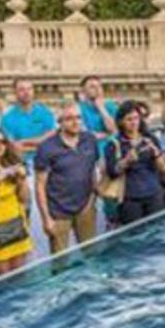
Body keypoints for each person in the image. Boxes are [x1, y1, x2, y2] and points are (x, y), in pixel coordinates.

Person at [34, 104, 99, 253]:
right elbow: (40, 186)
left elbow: (92, 170)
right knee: (60, 262)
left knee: (92, 254)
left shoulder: (89, 140)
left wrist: (92, 199)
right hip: (58, 212)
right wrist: (46, 219)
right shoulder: (47, 148)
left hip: (85, 208)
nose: (75, 122)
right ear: (60, 122)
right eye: (69, 119)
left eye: (78, 118)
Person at [104, 101, 165, 225]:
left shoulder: (150, 138)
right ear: (121, 122)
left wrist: (156, 153)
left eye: (136, 118)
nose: (134, 122)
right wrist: (126, 161)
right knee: (135, 236)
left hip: (154, 194)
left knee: (158, 231)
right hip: (130, 198)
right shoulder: (114, 144)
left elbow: (163, 168)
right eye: (129, 119)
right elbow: (112, 172)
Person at [0, 129, 32, 276]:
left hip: (17, 224)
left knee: (20, 278)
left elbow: (24, 199)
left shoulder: (11, 164)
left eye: (3, 142)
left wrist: (22, 180)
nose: (0, 147)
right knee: (4, 282)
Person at [0, 79, 57, 163]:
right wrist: (40, 142)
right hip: (20, 164)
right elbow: (13, 147)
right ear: (15, 93)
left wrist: (24, 141)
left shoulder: (46, 113)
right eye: (22, 90)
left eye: (29, 89)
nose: (26, 92)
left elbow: (52, 140)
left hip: (47, 162)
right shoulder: (7, 118)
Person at [77, 75, 119, 144]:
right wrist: (105, 135)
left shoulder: (111, 106)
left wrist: (101, 108)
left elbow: (114, 130)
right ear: (83, 91)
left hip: (111, 146)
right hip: (88, 148)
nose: (97, 89)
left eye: (99, 86)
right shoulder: (79, 108)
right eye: (92, 87)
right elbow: (82, 133)